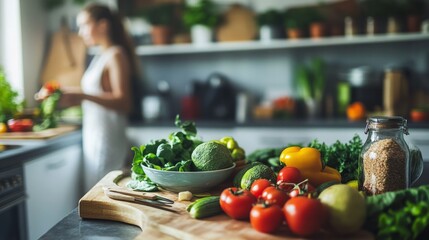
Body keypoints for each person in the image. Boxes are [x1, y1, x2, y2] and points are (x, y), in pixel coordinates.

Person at [56, 4, 139, 191]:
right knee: (96, 193)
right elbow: (99, 95)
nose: (80, 32)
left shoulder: (116, 54)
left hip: (107, 138)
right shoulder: (100, 56)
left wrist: (83, 95)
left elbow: (124, 102)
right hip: (94, 135)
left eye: (84, 24)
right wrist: (74, 95)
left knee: (104, 194)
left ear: (102, 25)